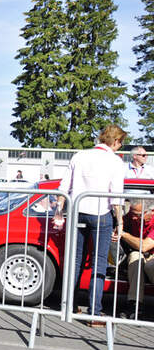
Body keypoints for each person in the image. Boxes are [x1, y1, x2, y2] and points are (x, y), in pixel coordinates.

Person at [55, 124, 126, 324]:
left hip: (77, 211)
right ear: (116, 141)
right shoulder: (115, 161)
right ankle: (94, 312)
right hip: (101, 213)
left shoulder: (79, 155)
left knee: (74, 260)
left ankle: (68, 306)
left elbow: (64, 185)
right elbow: (116, 196)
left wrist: (59, 209)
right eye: (121, 143)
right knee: (99, 262)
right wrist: (119, 222)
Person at [115, 200, 154, 319]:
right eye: (132, 214)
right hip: (141, 254)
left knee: (149, 266)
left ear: (150, 212)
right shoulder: (132, 217)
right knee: (134, 257)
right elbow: (120, 222)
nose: (134, 218)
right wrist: (117, 229)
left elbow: (145, 246)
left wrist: (124, 234)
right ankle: (134, 304)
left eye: (138, 215)